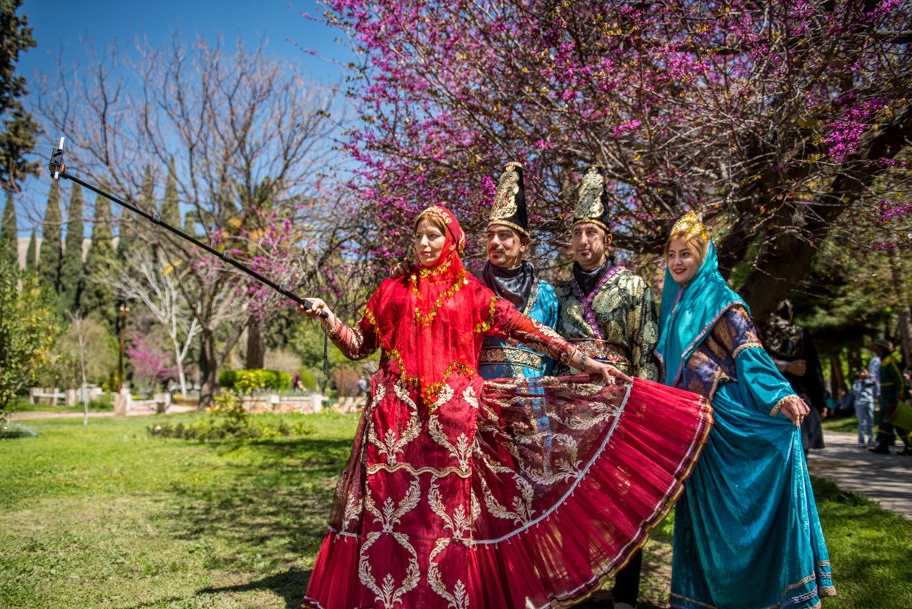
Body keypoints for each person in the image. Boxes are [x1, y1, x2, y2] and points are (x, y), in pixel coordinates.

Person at [299, 204, 713, 609]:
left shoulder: (473, 295)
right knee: (394, 519)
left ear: (452, 242)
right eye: (419, 236)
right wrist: (329, 318)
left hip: (453, 428)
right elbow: (358, 345)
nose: (424, 243)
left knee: (446, 523)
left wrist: (586, 363)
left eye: (433, 235)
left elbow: (533, 332)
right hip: (394, 428)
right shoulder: (391, 291)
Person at [657, 212, 835, 608]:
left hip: (725, 424)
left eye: (687, 253)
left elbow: (749, 354)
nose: (678, 262)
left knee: (736, 524)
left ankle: (758, 595)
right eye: (671, 254)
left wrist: (779, 395)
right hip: (694, 426)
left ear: (704, 256)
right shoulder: (674, 308)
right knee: (705, 527)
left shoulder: (724, 301)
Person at [552, 166, 659, 609]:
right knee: (570, 494)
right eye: (576, 232)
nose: (582, 241)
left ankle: (626, 595)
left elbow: (646, 349)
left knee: (624, 498)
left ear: (607, 240)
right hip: (571, 403)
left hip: (621, 402)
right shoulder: (557, 289)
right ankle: (574, 584)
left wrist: (644, 406)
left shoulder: (634, 285)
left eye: (591, 232)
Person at [477, 162, 559, 380]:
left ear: (523, 243)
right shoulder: (473, 288)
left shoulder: (545, 294)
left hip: (533, 401)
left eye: (504, 235)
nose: (494, 242)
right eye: (490, 235)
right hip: (484, 398)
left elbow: (551, 359)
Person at [761, 299, 827, 455]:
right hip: (797, 395)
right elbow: (813, 370)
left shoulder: (757, 333)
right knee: (800, 451)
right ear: (790, 314)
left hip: (766, 396)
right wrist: (820, 400)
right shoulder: (800, 334)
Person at [869, 339, 912, 456]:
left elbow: (900, 380)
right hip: (886, 398)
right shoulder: (883, 362)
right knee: (885, 422)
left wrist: (900, 395)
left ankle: (910, 447)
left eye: (878, 349)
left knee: (898, 421)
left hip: (893, 398)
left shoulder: (891, 362)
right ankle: (883, 445)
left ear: (884, 349)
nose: (876, 352)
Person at [851, 367, 878, 448]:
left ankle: (871, 439)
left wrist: (875, 384)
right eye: (861, 372)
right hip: (860, 403)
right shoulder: (857, 382)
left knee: (870, 421)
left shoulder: (871, 381)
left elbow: (876, 392)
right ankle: (861, 441)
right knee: (862, 422)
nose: (863, 374)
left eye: (865, 372)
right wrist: (861, 384)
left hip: (869, 402)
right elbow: (855, 391)